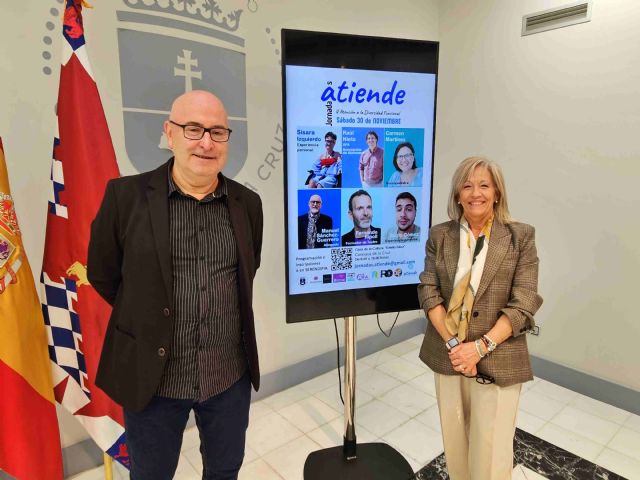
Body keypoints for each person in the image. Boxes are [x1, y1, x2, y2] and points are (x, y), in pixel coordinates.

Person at [87, 90, 263, 480]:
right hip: (154, 379)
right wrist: (146, 312)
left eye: (218, 132)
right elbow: (102, 273)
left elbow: (246, 274)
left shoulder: (248, 204)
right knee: (151, 475)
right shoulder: (125, 197)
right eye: (193, 128)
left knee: (224, 470)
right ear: (170, 133)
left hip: (227, 376)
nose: (206, 142)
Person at [417, 156, 543, 480]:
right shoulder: (440, 235)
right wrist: (458, 346)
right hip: (449, 356)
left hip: (498, 356)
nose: (476, 193)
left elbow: (524, 302)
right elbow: (428, 290)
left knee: (490, 455)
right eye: (467, 185)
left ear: (497, 192)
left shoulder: (520, 237)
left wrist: (480, 347)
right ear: (458, 194)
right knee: (456, 448)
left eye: (484, 185)